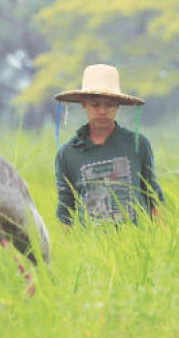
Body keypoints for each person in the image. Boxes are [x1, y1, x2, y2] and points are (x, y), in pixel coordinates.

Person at [53, 64, 164, 226]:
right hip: (92, 246)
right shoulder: (68, 153)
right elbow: (65, 209)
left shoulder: (138, 144)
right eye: (95, 105)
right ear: (84, 103)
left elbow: (153, 196)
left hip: (136, 242)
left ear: (118, 104)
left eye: (109, 105)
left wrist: (163, 240)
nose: (103, 111)